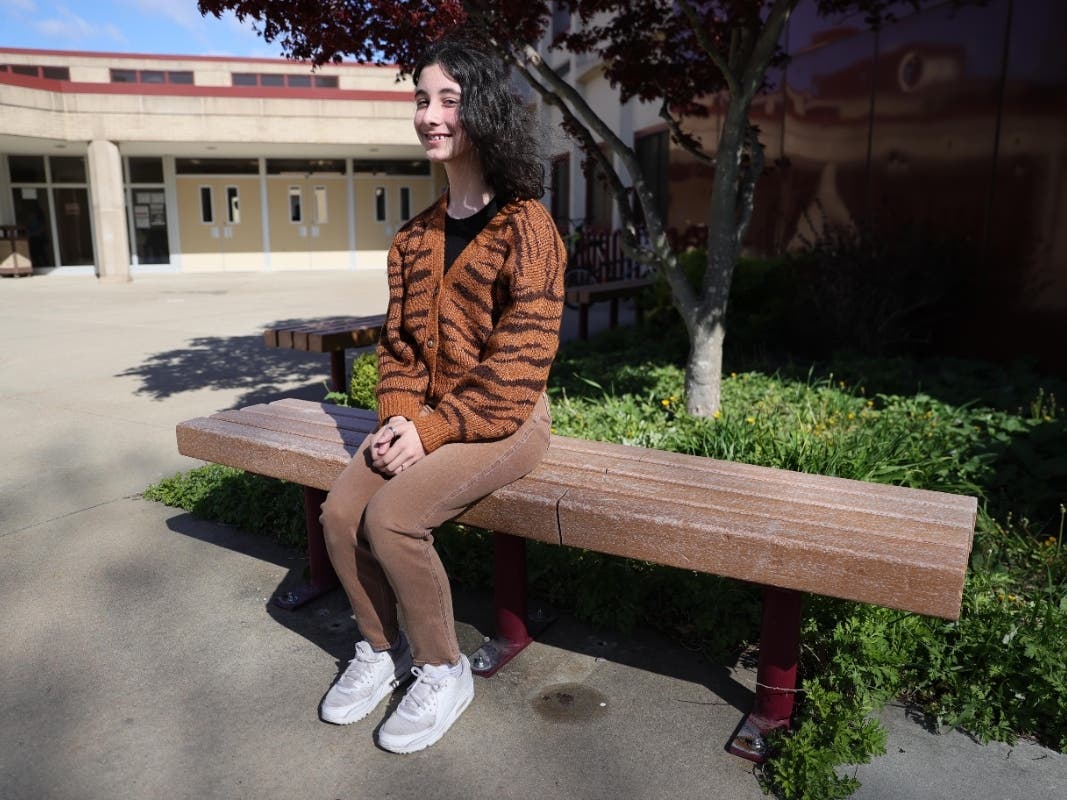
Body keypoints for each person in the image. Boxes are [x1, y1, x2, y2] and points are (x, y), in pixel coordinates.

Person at [317, 34, 566, 754]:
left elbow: (519, 366)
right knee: (339, 514)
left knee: (392, 517)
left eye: (447, 100)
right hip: (422, 418)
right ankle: (379, 648)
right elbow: (396, 350)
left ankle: (440, 667)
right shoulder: (412, 239)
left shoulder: (529, 227)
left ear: (482, 111)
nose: (429, 114)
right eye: (421, 100)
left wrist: (428, 432)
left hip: (507, 419)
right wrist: (399, 420)